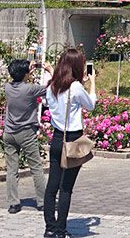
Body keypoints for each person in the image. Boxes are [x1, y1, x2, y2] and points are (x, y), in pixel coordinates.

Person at [43, 49, 97, 238]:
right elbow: (91, 105)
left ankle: (49, 227)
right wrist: (93, 83)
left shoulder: (51, 86)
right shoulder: (75, 87)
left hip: (57, 138)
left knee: (52, 186)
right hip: (73, 140)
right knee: (66, 188)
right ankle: (60, 230)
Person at [3, 59, 51, 214]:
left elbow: (21, 79)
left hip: (9, 132)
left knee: (12, 169)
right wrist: (50, 71)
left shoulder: (8, 87)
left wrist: (27, 72)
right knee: (36, 167)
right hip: (26, 133)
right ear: (25, 73)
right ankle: (42, 202)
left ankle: (13, 203)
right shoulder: (31, 89)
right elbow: (52, 88)